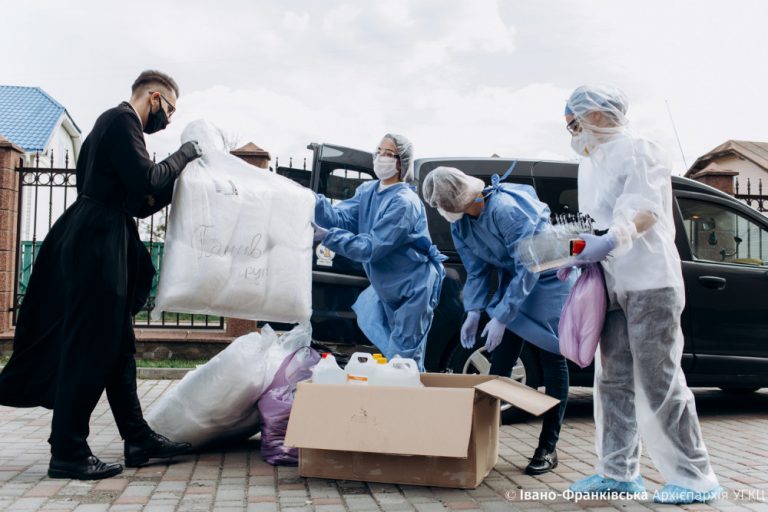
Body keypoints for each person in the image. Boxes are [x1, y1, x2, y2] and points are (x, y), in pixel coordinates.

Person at [0, 70, 201, 480]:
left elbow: (141, 200)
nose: (170, 119)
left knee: (118, 346)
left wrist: (177, 177)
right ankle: (68, 451)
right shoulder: (120, 120)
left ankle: (137, 437)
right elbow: (147, 178)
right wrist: (184, 155)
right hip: (97, 243)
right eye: (170, 110)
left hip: (105, 235)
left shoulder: (109, 129)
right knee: (90, 345)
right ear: (155, 97)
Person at [563, 85, 722, 504]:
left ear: (598, 114)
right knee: (612, 379)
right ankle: (618, 471)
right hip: (611, 282)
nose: (573, 132)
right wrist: (581, 250)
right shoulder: (590, 163)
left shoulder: (640, 148)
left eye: (575, 122)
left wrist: (612, 239)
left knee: (659, 379)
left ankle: (694, 477)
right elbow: (595, 218)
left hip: (651, 281)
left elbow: (647, 210)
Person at [422, 166, 571, 475]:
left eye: (443, 204)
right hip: (515, 281)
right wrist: (474, 311)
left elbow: (529, 265)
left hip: (547, 278)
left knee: (552, 358)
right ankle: (477, 443)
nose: (442, 210)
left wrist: (502, 316)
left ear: (460, 196)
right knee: (500, 363)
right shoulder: (461, 224)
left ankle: (548, 447)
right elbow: (477, 271)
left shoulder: (506, 210)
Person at [312, 134, 446, 371]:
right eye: (379, 151)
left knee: (403, 361)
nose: (381, 157)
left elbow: (371, 247)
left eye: (389, 153)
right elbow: (341, 217)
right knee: (396, 353)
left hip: (413, 288)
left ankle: (409, 404)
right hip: (388, 288)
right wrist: (312, 201)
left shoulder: (405, 203)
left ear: (401, 161)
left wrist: (328, 236)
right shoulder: (368, 191)